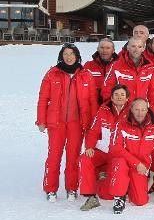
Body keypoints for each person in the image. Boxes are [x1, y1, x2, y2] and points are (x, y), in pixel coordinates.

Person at [37, 43, 98, 202]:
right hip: (56, 123)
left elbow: (92, 100)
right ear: (61, 56)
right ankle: (50, 189)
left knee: (73, 157)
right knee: (54, 156)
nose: (68, 57)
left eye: (71, 54)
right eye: (65, 54)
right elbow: (43, 98)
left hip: (77, 123)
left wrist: (93, 122)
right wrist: (41, 120)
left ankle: (72, 188)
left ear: (77, 56)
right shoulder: (52, 74)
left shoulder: (86, 75)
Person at [79, 84, 130, 211]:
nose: (119, 97)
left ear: (127, 98)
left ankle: (104, 177)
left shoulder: (131, 111)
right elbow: (93, 131)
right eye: (116, 95)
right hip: (103, 151)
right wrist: (89, 146)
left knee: (107, 195)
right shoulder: (103, 110)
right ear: (111, 98)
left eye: (122, 95)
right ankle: (90, 196)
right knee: (85, 158)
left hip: (119, 154)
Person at [108, 98, 154, 213]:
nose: (140, 113)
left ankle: (127, 186)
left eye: (143, 110)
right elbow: (115, 148)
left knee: (140, 201)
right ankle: (119, 197)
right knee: (119, 162)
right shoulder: (121, 124)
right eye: (136, 109)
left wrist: (152, 168)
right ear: (131, 109)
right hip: (125, 164)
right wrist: (136, 163)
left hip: (141, 167)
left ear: (147, 110)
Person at [102, 37, 154, 113]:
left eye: (139, 47)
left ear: (143, 48)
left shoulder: (149, 68)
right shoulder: (116, 66)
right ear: (128, 47)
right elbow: (107, 88)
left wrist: (152, 111)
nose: (136, 49)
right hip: (121, 111)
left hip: (141, 112)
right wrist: (114, 108)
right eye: (133, 46)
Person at [84, 38, 118, 103]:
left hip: (113, 104)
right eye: (102, 47)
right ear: (97, 49)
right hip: (93, 104)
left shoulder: (119, 66)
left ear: (113, 50)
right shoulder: (88, 66)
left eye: (108, 48)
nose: (104, 50)